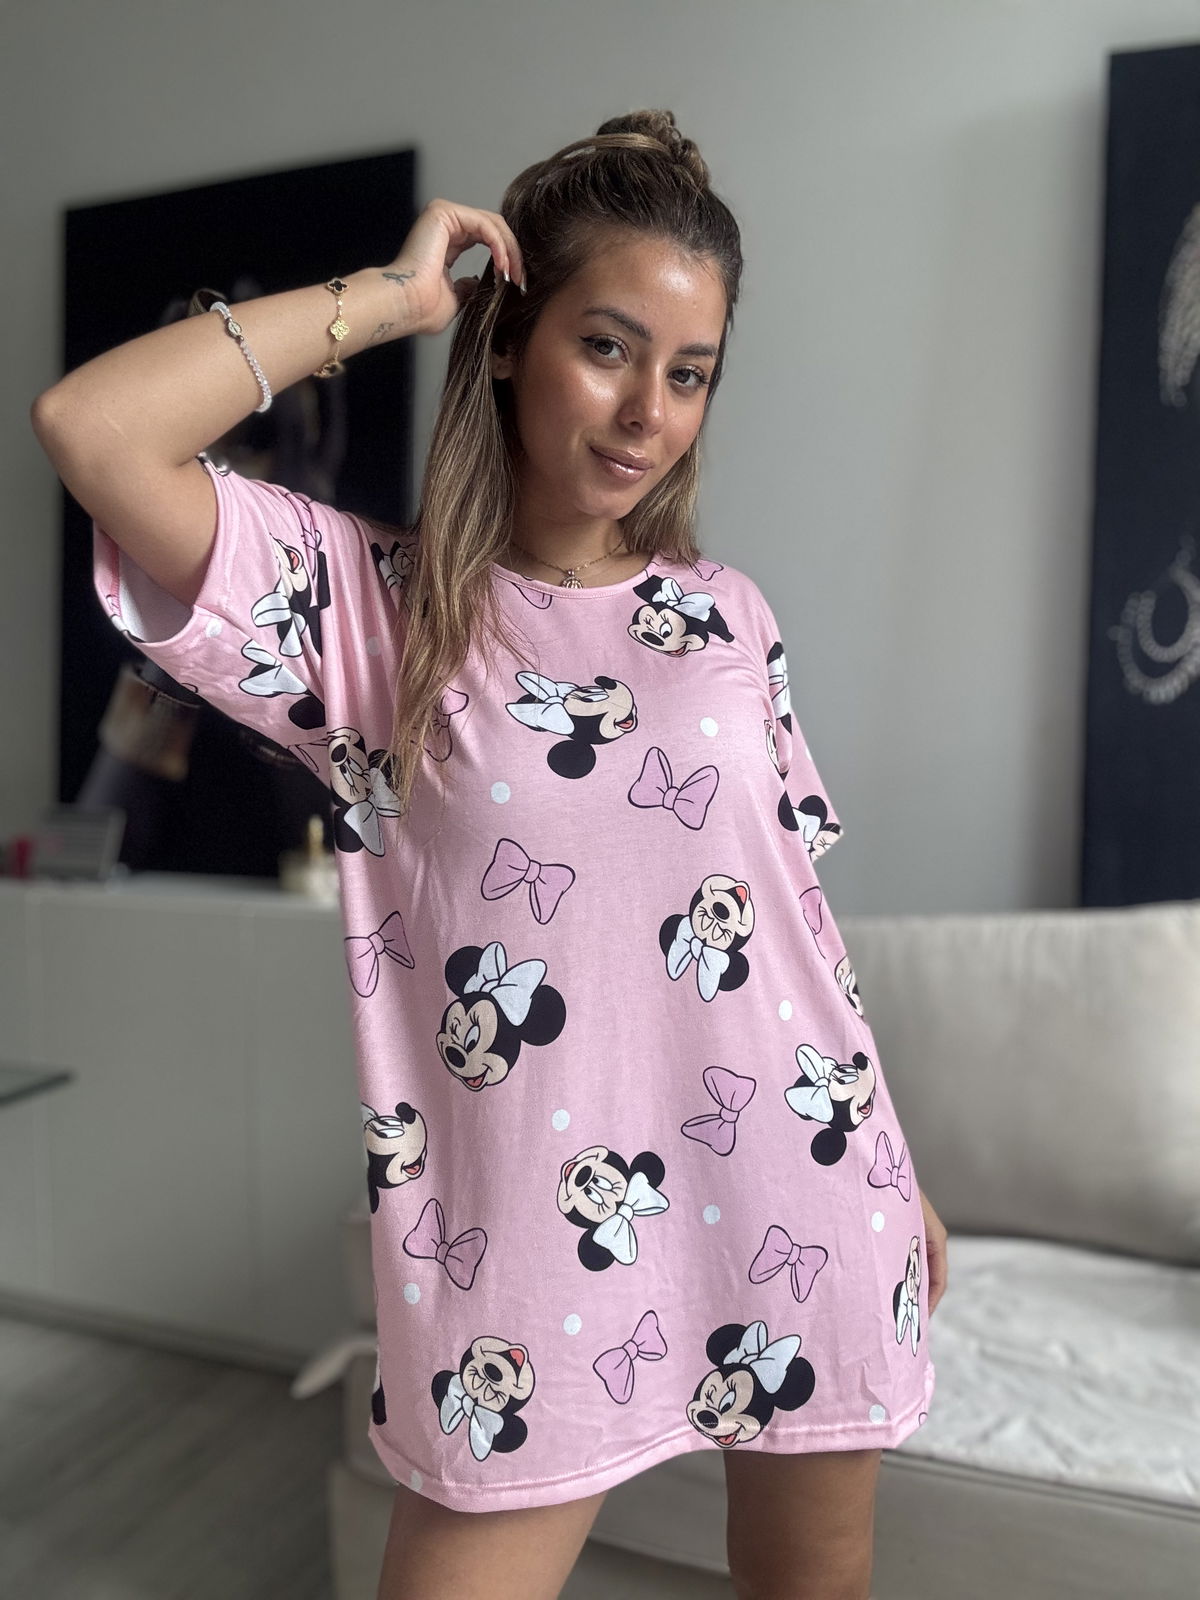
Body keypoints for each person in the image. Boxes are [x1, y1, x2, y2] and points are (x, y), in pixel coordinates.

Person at [31, 108, 948, 1600]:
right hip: (520, 1259)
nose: (648, 411)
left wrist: (895, 1158)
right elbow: (93, 427)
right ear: (511, 341)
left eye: (691, 372)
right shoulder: (366, 613)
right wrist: (395, 301)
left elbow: (793, 920)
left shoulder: (729, 616)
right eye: (608, 346)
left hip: (812, 1187)